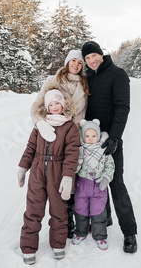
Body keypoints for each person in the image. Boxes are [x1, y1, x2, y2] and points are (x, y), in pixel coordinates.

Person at [81, 40, 138, 253]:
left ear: (101, 54)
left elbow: (123, 108)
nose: (92, 60)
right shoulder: (87, 78)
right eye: (87, 58)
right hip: (90, 141)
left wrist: (114, 137)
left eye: (94, 55)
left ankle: (130, 233)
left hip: (111, 141)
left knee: (115, 183)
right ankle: (105, 218)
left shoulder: (118, 74)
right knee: (94, 179)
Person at [30, 49, 89, 238]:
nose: (76, 65)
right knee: (53, 179)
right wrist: (41, 126)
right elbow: (36, 107)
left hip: (73, 135)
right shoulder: (52, 81)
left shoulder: (85, 84)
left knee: (70, 176)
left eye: (79, 63)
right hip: (51, 137)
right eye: (73, 61)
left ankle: (68, 219)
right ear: (67, 62)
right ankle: (50, 221)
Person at [17, 89, 80, 265]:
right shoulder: (40, 125)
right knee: (33, 210)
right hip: (37, 172)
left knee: (59, 210)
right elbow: (30, 148)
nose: (54, 107)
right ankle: (28, 248)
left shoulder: (69, 127)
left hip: (58, 173)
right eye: (50, 104)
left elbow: (72, 153)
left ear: (63, 105)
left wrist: (68, 177)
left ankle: (58, 244)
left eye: (57, 103)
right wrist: (23, 167)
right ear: (46, 107)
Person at [72, 119, 115, 250]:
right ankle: (80, 232)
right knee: (80, 210)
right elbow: (74, 167)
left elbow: (110, 166)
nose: (90, 139)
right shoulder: (80, 151)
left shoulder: (104, 151)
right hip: (82, 186)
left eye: (93, 136)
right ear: (83, 136)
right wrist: (77, 163)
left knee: (98, 212)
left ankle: (100, 236)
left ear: (98, 136)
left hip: (98, 186)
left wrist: (106, 178)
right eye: (87, 136)